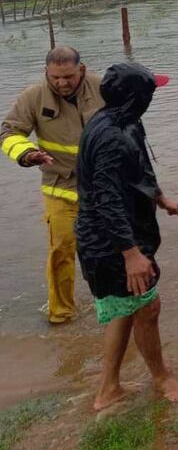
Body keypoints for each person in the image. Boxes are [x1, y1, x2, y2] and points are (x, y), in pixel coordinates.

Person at [75, 63, 178, 410]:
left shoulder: (126, 122)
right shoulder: (109, 137)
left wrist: (160, 198)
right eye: (149, 92)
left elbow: (141, 168)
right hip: (110, 241)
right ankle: (160, 379)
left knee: (127, 308)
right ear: (136, 97)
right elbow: (106, 198)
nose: (152, 97)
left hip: (121, 234)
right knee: (147, 307)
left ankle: (109, 388)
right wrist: (130, 253)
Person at [1, 46, 103, 323]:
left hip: (103, 187)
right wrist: (26, 154)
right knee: (61, 251)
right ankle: (61, 315)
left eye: (68, 76)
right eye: (55, 77)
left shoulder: (102, 87)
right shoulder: (33, 96)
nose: (61, 83)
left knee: (112, 248)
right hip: (61, 187)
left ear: (81, 69)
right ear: (47, 72)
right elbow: (8, 131)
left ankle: (113, 305)